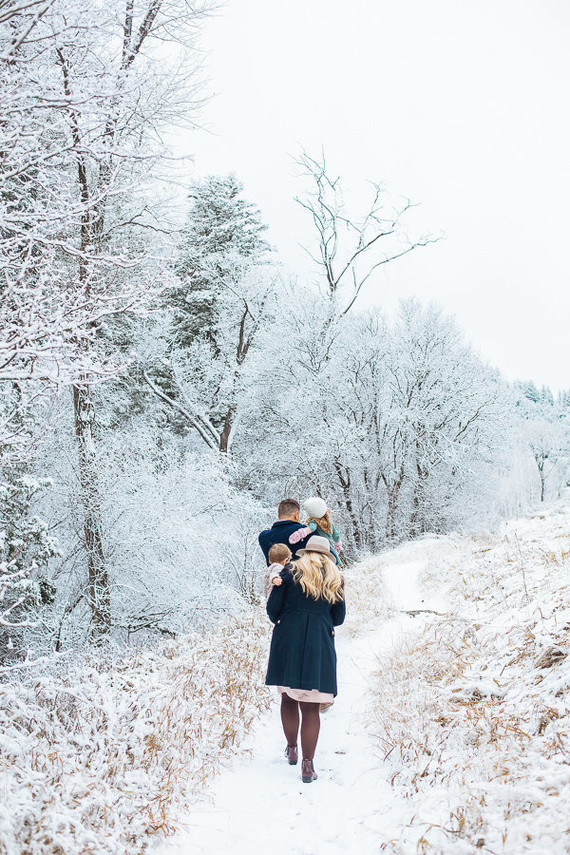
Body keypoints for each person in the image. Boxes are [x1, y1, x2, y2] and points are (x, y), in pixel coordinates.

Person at [265, 535, 346, 783]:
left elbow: (272, 611)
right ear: (327, 556)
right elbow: (338, 618)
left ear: (306, 552)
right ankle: (308, 766)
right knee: (311, 708)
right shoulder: (335, 578)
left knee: (288, 698)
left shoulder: (289, 573)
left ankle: (291, 750)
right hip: (319, 641)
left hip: (288, 638)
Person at [258, 498, 314, 565]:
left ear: (278, 516)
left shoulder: (264, 537)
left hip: (274, 571)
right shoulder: (306, 532)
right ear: (296, 515)